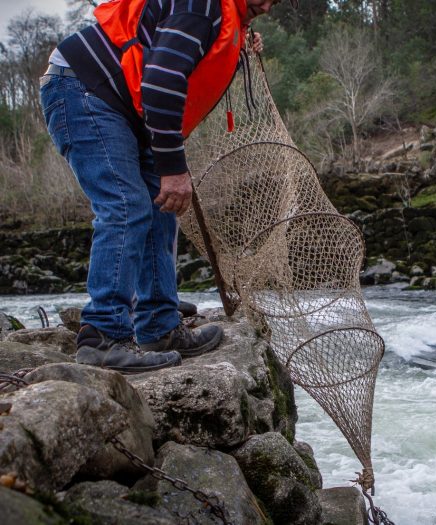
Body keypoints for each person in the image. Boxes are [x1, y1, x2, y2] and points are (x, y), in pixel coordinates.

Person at [40, 0, 290, 373]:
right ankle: (103, 337)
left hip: (125, 107)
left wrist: (241, 44)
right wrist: (173, 168)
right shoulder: (203, 6)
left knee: (161, 208)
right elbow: (160, 80)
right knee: (126, 205)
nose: (269, 5)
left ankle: (159, 326)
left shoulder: (227, 19)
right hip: (84, 89)